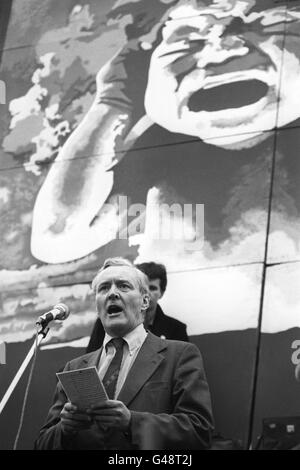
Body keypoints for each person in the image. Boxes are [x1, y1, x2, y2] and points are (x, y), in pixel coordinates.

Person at [30, 0, 300, 265]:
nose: (220, 49)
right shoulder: (154, 155)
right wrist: (115, 100)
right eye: (189, 40)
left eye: (265, 25)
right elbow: (58, 233)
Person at [34, 257, 213, 450]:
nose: (112, 293)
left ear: (145, 301)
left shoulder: (180, 356)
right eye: (103, 288)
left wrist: (132, 422)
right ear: (97, 306)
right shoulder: (74, 368)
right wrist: (65, 429)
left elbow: (199, 432)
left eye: (123, 286)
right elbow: (42, 444)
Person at [86, 261, 188, 353]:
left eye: (152, 288)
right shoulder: (105, 323)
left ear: (161, 292)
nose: (147, 293)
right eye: (104, 288)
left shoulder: (176, 329)